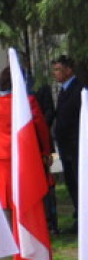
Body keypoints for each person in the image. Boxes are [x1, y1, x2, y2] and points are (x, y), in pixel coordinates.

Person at [0, 67, 51, 210]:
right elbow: (41, 129)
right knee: (27, 196)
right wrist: (45, 152)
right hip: (23, 154)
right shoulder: (28, 101)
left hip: (0, 157)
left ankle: (9, 230)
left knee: (5, 198)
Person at [51, 55, 82, 223]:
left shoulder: (79, 90)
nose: (55, 73)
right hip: (65, 148)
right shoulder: (63, 90)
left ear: (68, 70)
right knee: (71, 184)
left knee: (79, 183)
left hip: (76, 147)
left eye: (58, 69)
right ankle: (79, 215)